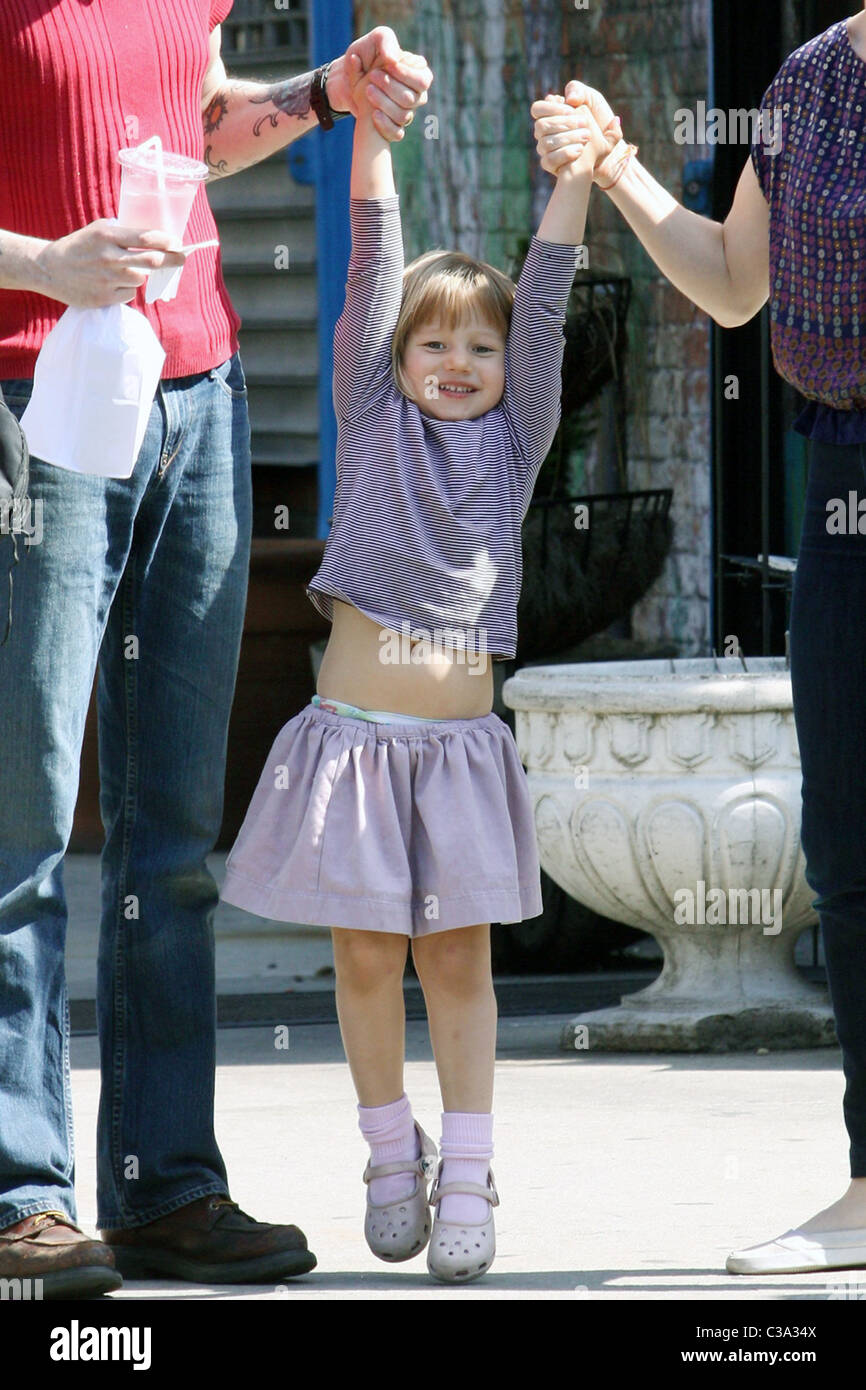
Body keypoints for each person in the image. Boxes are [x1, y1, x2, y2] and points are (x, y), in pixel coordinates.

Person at [0, 1, 431, 1300]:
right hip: (33, 396)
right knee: (20, 828)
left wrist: (324, 92)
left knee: (174, 841)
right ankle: (22, 1197)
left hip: (198, 395)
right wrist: (39, 261)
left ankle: (164, 1186)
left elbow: (196, 123)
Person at [219, 50, 608, 1283]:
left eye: (475, 349)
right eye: (430, 341)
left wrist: (577, 176)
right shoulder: (371, 411)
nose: (454, 359)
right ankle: (392, 1152)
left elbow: (541, 296)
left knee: (457, 959)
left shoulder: (511, 443)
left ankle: (472, 1171)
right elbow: (372, 261)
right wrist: (371, 135)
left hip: (457, 753)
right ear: (390, 360)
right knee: (360, 956)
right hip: (351, 739)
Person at [532, 3, 866, 1277]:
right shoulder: (808, 80)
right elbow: (734, 285)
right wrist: (613, 167)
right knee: (845, 851)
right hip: (839, 471)